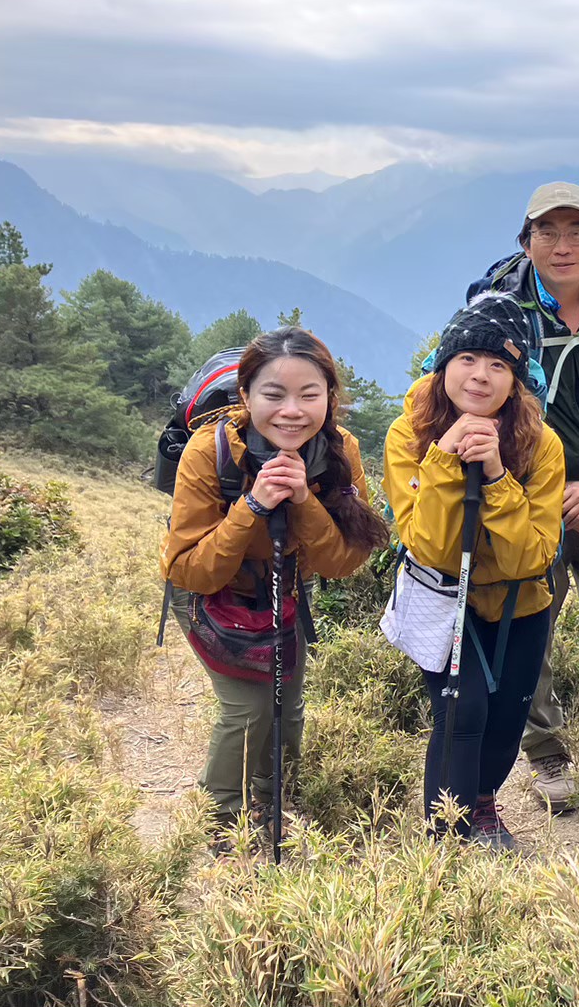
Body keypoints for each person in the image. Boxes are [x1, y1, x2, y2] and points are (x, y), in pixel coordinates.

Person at [162, 327, 390, 843]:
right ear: (245, 397)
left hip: (284, 590)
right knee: (250, 706)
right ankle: (223, 822)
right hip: (208, 592)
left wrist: (304, 503)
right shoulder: (209, 451)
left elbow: (340, 562)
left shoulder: (338, 451)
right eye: (273, 394)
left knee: (286, 704)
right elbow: (189, 568)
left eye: (310, 395)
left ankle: (270, 797)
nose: (292, 410)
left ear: (331, 399)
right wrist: (254, 507)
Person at [467, 181, 579, 811]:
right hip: (524, 487)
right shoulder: (496, 310)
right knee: (528, 619)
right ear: (526, 239)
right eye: (547, 232)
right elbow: (470, 390)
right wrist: (552, 485)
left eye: (576, 232)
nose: (562, 247)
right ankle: (546, 755)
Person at [384, 292, 565, 848]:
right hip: (443, 599)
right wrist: (442, 460)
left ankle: (482, 800)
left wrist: (495, 478)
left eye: (498, 365)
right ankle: (448, 831)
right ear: (442, 367)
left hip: (520, 606)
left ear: (518, 379)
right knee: (462, 711)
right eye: (466, 359)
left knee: (507, 723)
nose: (480, 376)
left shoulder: (541, 444)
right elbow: (429, 546)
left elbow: (532, 555)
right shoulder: (409, 434)